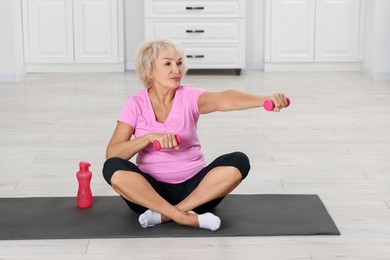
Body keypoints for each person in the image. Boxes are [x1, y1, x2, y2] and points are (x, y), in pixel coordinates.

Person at [103, 39, 289, 231]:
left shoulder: (189, 96)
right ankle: (184, 217)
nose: (176, 70)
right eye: (168, 63)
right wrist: (149, 138)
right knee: (112, 167)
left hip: (196, 192)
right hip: (148, 194)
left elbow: (223, 99)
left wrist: (263, 100)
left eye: (179, 62)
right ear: (149, 70)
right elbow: (113, 154)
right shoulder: (135, 104)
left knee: (239, 161)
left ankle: (166, 215)